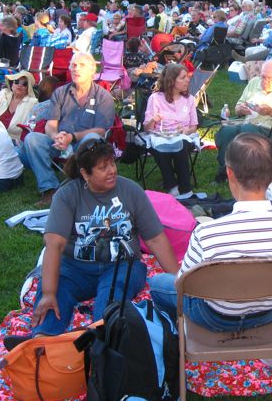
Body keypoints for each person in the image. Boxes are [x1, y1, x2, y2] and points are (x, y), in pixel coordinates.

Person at [148, 132, 272, 329]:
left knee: (158, 283)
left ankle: (173, 334)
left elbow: (183, 285)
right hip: (269, 313)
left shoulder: (207, 233)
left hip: (214, 317)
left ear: (229, 173)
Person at [21, 138, 179, 340]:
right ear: (85, 174)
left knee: (111, 298)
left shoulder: (131, 191)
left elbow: (155, 239)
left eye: (112, 163)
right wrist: (49, 292)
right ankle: (44, 343)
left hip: (121, 265)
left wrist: (179, 281)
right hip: (75, 267)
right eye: (103, 167)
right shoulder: (67, 195)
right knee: (54, 294)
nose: (112, 170)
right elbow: (54, 245)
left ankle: (99, 338)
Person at [18, 52, 115, 206]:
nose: (76, 69)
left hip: (86, 145)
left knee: (93, 139)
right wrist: (56, 136)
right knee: (32, 139)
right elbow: (51, 124)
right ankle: (50, 189)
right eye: (73, 65)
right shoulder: (60, 92)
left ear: (92, 70)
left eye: (81, 65)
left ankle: (84, 188)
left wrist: (72, 137)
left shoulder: (103, 97)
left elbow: (101, 131)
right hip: (61, 142)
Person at [214, 60, 272, 183]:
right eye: (263, 77)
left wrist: (271, 112)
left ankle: (244, 175)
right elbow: (238, 108)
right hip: (248, 122)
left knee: (247, 130)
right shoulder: (254, 82)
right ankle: (225, 171)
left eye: (270, 78)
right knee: (226, 131)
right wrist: (241, 109)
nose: (265, 81)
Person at [143, 64, 199, 198]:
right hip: (161, 136)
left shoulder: (189, 100)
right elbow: (147, 128)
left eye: (187, 77)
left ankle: (185, 188)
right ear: (171, 80)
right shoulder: (155, 98)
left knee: (180, 145)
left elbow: (194, 126)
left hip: (183, 136)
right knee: (160, 147)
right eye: (183, 78)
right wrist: (153, 120)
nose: (187, 80)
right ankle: (172, 185)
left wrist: (186, 131)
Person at [0, 71, 38, 142]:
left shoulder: (33, 102)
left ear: (28, 88)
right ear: (12, 84)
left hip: (14, 141)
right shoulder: (4, 93)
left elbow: (31, 127)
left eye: (24, 84)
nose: (19, 85)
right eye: (16, 81)